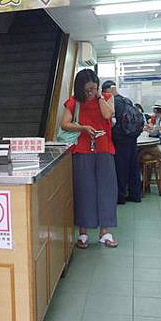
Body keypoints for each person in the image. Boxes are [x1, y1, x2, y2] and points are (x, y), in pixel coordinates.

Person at [60, 68, 118, 248]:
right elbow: (65, 124)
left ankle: (104, 231)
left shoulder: (107, 98)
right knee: (84, 190)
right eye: (88, 90)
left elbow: (108, 115)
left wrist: (99, 96)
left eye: (94, 88)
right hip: (83, 151)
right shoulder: (74, 102)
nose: (91, 93)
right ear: (80, 88)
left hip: (104, 149)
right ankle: (83, 232)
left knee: (107, 189)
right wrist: (83, 128)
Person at [101, 81, 142, 204]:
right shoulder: (127, 100)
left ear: (107, 90)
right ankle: (135, 195)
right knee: (133, 167)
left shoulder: (113, 102)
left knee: (120, 168)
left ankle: (120, 197)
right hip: (132, 138)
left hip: (120, 139)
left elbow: (110, 121)